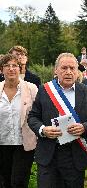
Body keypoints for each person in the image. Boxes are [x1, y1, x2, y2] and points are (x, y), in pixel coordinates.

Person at [28, 53, 87, 188]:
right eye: (64, 68)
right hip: (49, 155)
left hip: (75, 155)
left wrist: (84, 127)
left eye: (72, 68)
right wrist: (43, 130)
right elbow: (33, 117)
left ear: (77, 70)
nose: (68, 72)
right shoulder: (45, 90)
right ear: (56, 70)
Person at [0, 54, 38, 188]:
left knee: (19, 182)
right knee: (4, 181)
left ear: (20, 68)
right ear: (1, 70)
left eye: (14, 65)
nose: (11, 69)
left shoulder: (31, 89)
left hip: (24, 144)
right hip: (2, 143)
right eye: (7, 66)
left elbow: (38, 114)